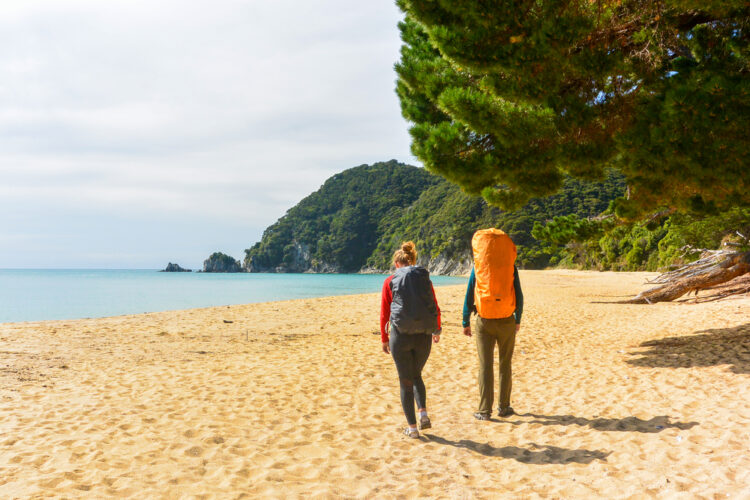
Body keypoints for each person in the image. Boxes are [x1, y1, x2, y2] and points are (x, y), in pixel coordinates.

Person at [380, 241, 442, 438]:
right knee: (417, 375)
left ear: (397, 263)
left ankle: (413, 429)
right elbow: (434, 306)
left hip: (400, 336)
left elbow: (385, 312)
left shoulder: (390, 280)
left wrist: (384, 338)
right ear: (414, 262)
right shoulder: (424, 280)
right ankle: (423, 412)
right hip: (423, 335)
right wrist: (436, 330)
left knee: (405, 381)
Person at [462, 229, 524, 421]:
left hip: (484, 319)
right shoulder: (510, 266)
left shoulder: (479, 266)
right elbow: (519, 295)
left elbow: (470, 292)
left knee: (485, 366)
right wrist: (518, 319)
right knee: (505, 364)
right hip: (506, 319)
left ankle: (484, 411)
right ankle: (504, 407)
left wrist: (465, 320)